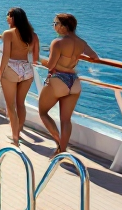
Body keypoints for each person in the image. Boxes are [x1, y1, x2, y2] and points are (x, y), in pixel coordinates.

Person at [38, 13, 99, 155]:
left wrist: (38, 58)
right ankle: (63, 150)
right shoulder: (81, 43)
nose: (54, 26)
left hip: (59, 79)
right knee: (66, 120)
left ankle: (59, 143)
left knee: (43, 112)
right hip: (74, 81)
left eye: (56, 23)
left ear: (64, 26)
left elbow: (50, 65)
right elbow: (94, 57)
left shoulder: (57, 42)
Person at [0, 8, 40, 147]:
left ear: (13, 18)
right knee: (20, 103)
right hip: (27, 70)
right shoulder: (33, 35)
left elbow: (6, 55)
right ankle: (19, 132)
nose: (7, 18)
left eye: (8, 15)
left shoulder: (8, 33)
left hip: (11, 68)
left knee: (11, 106)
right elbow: (35, 59)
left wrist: (0, 71)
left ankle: (15, 139)